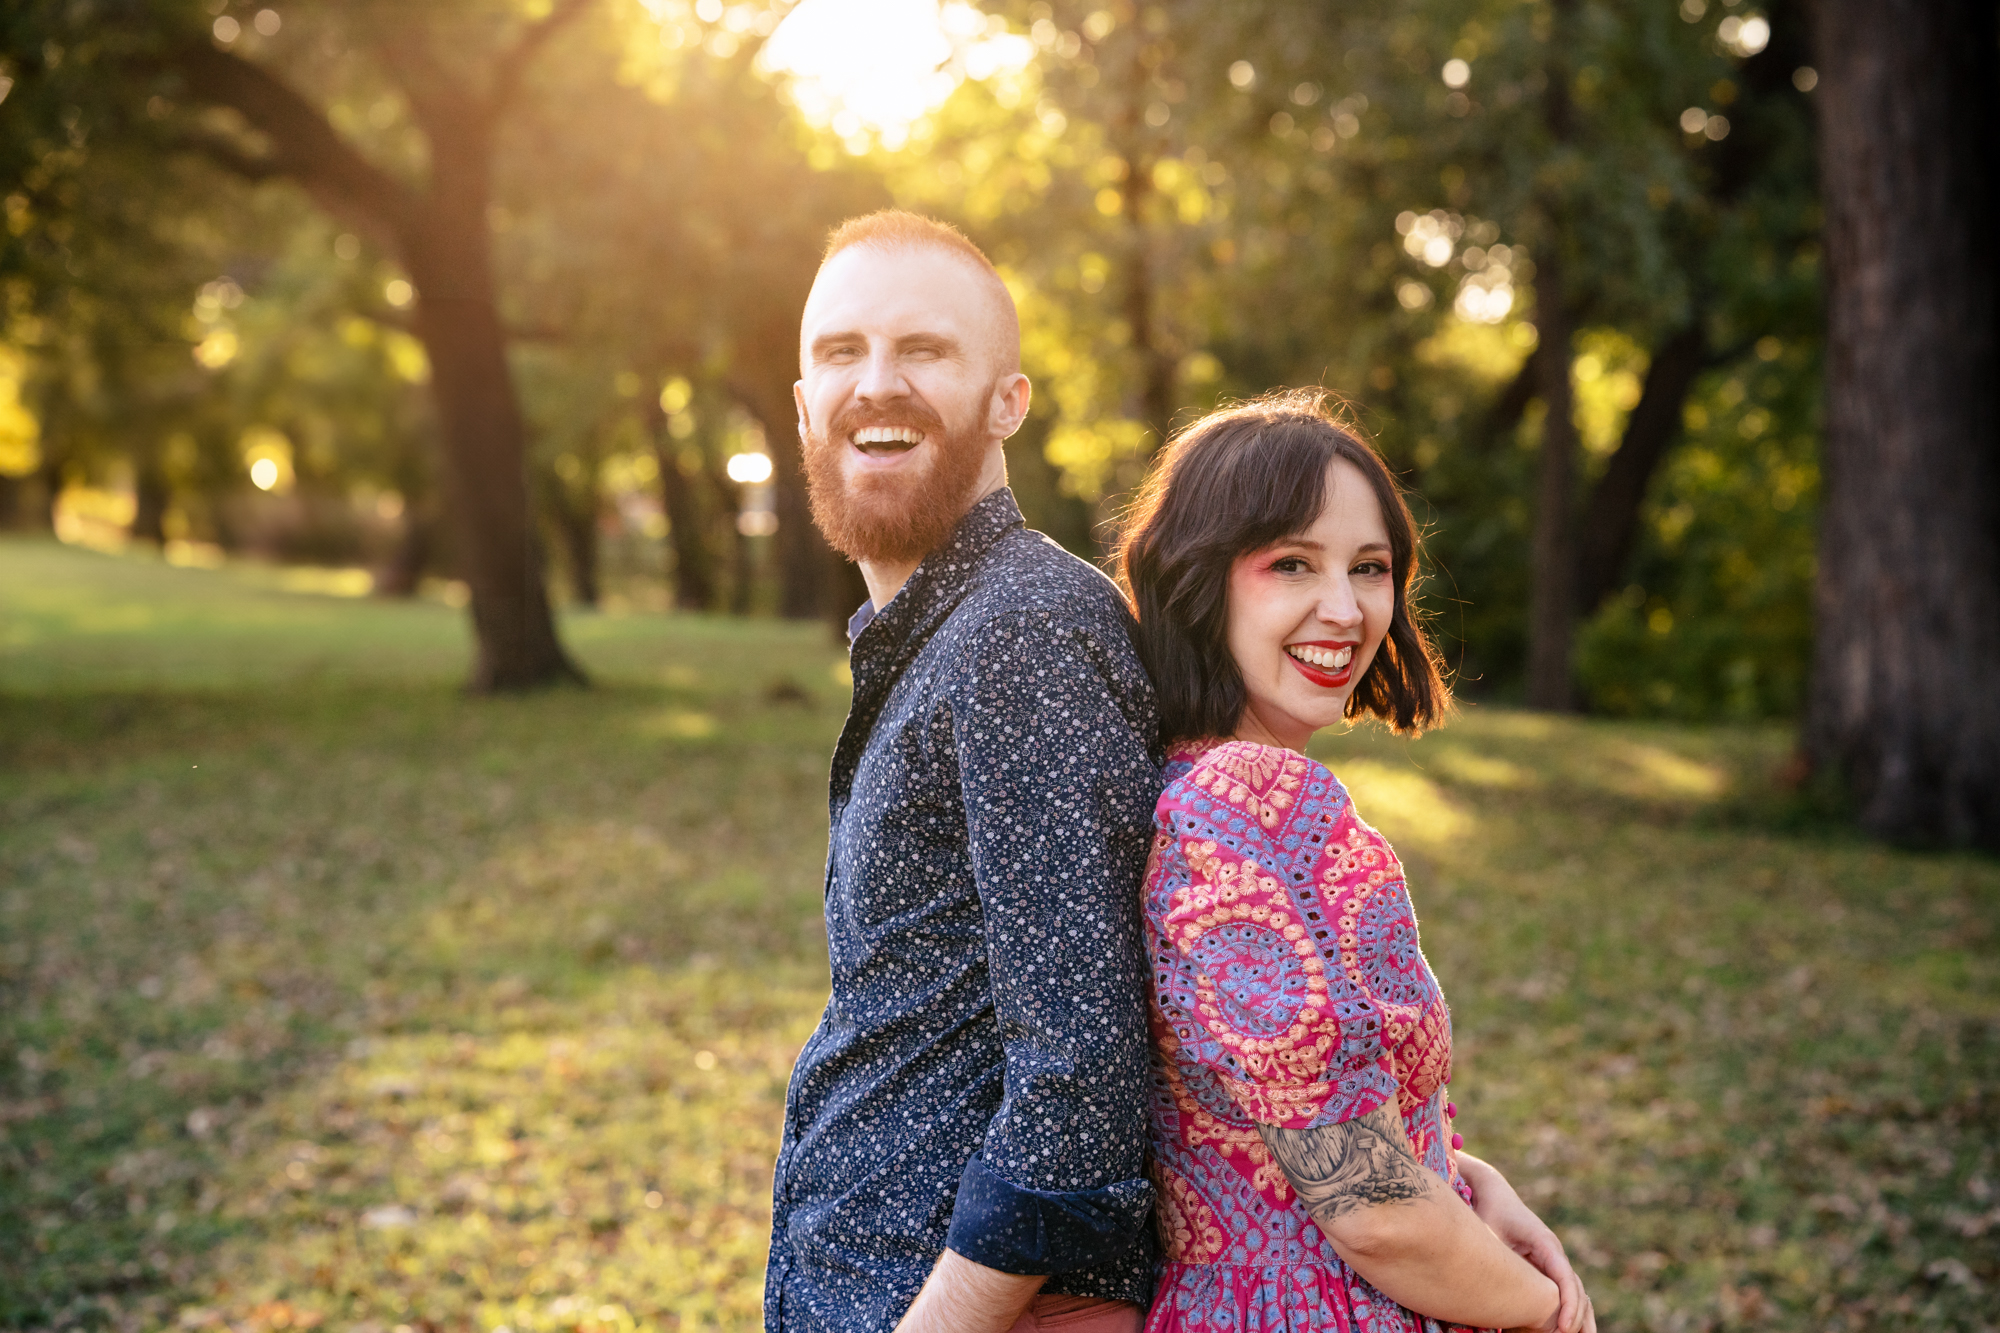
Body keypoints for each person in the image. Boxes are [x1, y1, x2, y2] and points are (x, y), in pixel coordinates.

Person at [1114, 390, 1596, 1333]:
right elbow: (1368, 1209)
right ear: (1197, 580)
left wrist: (1467, 1178)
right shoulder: (1252, 802)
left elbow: (1281, 1120)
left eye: (1369, 568)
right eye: (1291, 562)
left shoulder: (1180, 788)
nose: (1344, 608)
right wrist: (1550, 1316)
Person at [765, 210, 1162, 1333]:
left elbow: (1080, 1065)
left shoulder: (1019, 636)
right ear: (802, 403)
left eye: (923, 351)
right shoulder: (931, 638)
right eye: (840, 352)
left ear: (1006, 402)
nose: (874, 385)